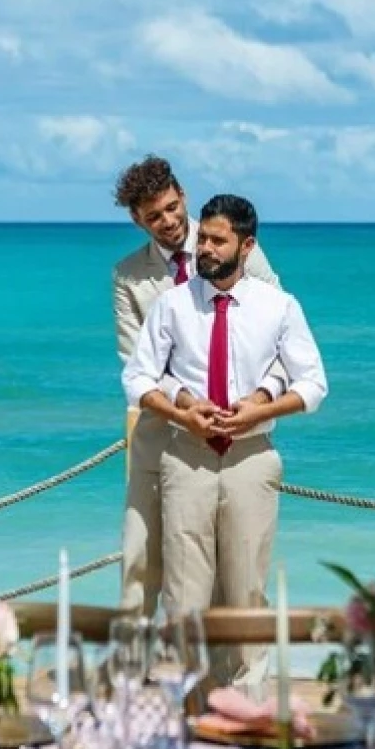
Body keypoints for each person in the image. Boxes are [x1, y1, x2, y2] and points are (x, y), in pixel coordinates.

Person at [122, 194, 325, 612]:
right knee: (184, 592)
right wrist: (181, 413)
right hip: (185, 455)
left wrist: (262, 408)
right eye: (203, 240)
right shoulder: (172, 304)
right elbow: (137, 376)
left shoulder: (280, 307)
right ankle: (191, 678)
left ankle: (246, 680)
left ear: (246, 247)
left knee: (246, 590)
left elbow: (313, 384)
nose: (205, 249)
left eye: (217, 241)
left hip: (251, 456)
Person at [110, 157, 277, 614]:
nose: (166, 222)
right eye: (152, 216)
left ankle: (224, 683)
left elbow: (274, 325)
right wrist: (184, 407)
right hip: (158, 434)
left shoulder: (234, 244)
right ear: (136, 219)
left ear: (182, 195)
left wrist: (258, 402)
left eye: (170, 207)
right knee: (140, 565)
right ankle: (137, 676)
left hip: (231, 437)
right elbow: (136, 363)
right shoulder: (128, 276)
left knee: (231, 575)